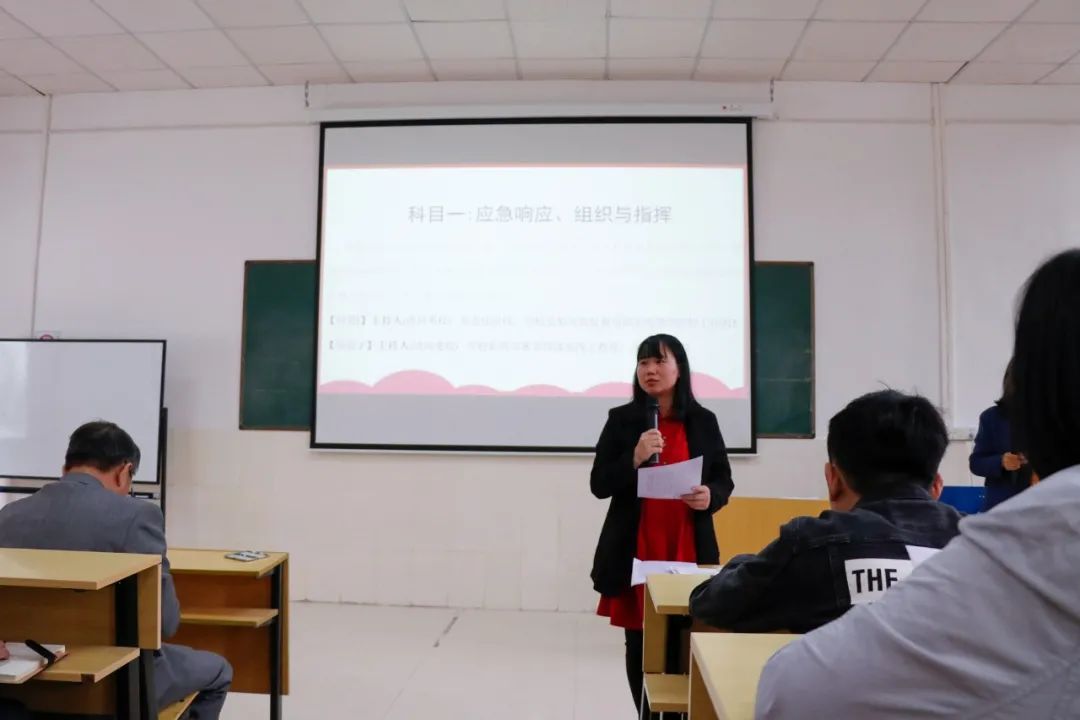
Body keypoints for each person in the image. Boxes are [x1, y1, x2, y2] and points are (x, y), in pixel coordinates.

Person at [755, 249, 1080, 719]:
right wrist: (1003, 461)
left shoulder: (1015, 549)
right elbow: (981, 460)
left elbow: (793, 689)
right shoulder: (961, 534)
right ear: (936, 482)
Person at [0, 422, 232, 719]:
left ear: (66, 467)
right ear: (125, 471)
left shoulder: (9, 515)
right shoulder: (138, 515)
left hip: (25, 682)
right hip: (116, 683)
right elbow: (164, 622)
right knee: (219, 670)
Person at [690, 390, 962, 633]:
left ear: (833, 480)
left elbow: (712, 605)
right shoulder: (977, 545)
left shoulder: (811, 544)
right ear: (936, 486)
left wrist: (742, 562)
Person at [590, 334, 734, 713]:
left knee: (685, 637)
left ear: (679, 369)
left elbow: (723, 479)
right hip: (636, 546)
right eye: (643, 363)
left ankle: (682, 712)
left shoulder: (703, 421)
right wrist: (634, 457)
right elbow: (599, 484)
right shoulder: (621, 421)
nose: (650, 370)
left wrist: (711, 495)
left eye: (659, 361)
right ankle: (646, 713)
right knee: (640, 641)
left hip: (686, 543)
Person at [970, 360, 1032, 510]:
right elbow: (976, 463)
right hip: (1002, 507)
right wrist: (1001, 461)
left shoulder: (1056, 419)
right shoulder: (992, 417)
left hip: (1046, 505)